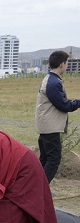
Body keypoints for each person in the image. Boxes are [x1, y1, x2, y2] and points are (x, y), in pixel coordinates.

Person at [36, 50, 80, 183]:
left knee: (44, 159)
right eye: (66, 63)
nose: (67, 66)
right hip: (50, 127)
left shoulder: (51, 79)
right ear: (62, 64)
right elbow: (64, 105)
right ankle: (41, 190)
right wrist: (78, 102)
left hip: (46, 125)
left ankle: (36, 187)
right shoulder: (53, 82)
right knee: (54, 159)